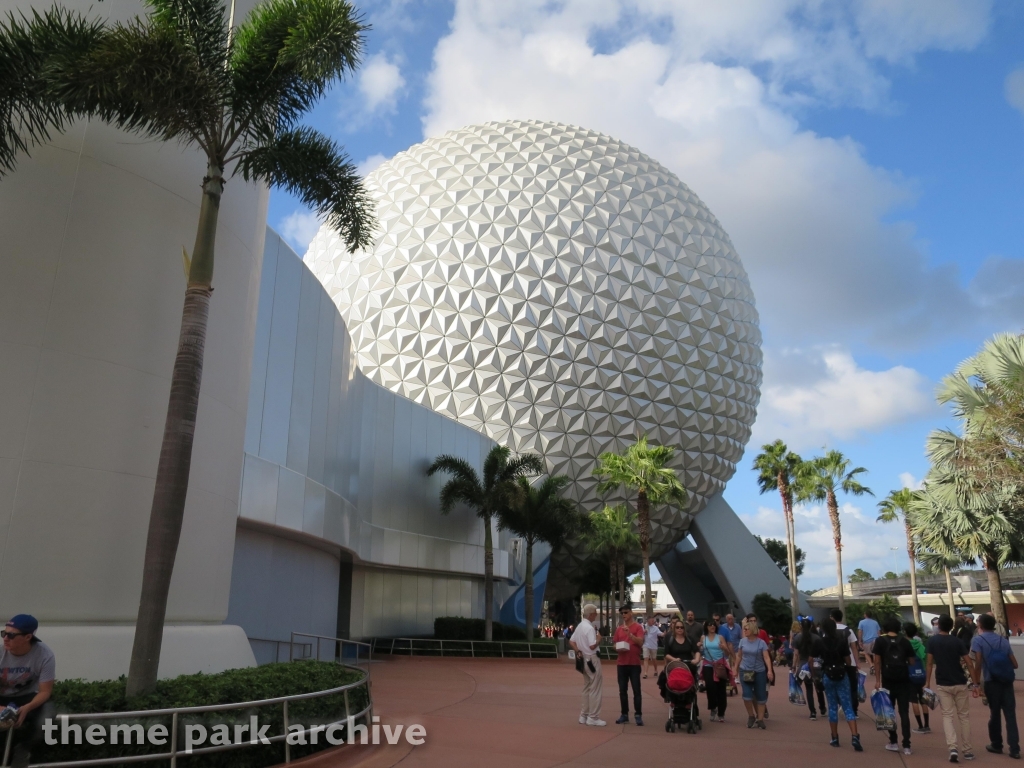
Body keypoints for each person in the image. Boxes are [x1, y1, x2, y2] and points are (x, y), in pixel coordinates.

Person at [0, 615, 56, 768]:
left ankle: (23, 749)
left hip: (26, 697)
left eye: (11, 635)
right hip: (1, 697)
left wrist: (28, 708)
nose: (5, 638)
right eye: (4, 633)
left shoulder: (45, 655)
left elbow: (45, 691)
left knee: (49, 713)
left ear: (28, 637)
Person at [927, 613, 976, 763]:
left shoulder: (932, 641)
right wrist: (975, 683)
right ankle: (967, 750)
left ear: (939, 625)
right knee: (964, 717)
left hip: (943, 683)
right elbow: (968, 662)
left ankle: (952, 748)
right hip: (960, 681)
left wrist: (927, 682)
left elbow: (929, 663)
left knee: (947, 716)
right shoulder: (957, 642)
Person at [971, 612, 1019, 759]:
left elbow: (978, 662)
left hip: (991, 681)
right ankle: (1014, 748)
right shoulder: (1003, 640)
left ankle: (997, 744)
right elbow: (1014, 663)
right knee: (1010, 715)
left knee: (995, 713)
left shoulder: (978, 640)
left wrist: (976, 683)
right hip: (1006, 681)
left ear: (980, 625)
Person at [873, 615, 918, 755]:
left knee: (889, 711)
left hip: (888, 680)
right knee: (904, 712)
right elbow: (912, 662)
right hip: (903, 680)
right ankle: (907, 745)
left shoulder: (880, 641)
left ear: (885, 628)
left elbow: (877, 661)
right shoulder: (905, 641)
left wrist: (878, 680)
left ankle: (893, 741)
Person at [819, 617, 863, 751]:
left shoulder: (820, 642)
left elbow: (816, 657)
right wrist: (847, 667)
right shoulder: (841, 641)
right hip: (841, 674)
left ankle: (834, 737)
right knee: (847, 706)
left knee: (832, 706)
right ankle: (855, 736)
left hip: (827, 674)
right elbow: (848, 660)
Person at [569, 604, 605, 727]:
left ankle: (584, 715)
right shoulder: (589, 628)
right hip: (592, 658)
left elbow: (571, 641)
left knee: (587, 687)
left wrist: (578, 651)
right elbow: (592, 645)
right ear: (591, 614)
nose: (596, 615)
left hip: (583, 658)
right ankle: (593, 717)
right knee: (595, 687)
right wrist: (599, 638)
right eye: (595, 613)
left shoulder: (580, 626)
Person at [736, 618, 773, 729]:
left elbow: (766, 657)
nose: (744, 631)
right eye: (744, 629)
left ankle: (760, 719)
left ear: (752, 630)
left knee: (761, 696)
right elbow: (739, 655)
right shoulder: (742, 641)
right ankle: (751, 715)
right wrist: (735, 668)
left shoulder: (761, 643)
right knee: (747, 695)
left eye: (746, 629)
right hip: (745, 670)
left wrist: (770, 670)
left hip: (759, 671)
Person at [613, 606, 645, 726]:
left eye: (626, 612)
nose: (623, 615)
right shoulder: (619, 629)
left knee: (636, 690)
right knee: (622, 691)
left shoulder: (638, 627)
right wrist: (617, 647)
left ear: (631, 613)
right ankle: (624, 714)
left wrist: (630, 635)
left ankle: (638, 714)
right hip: (622, 663)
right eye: (622, 613)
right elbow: (614, 644)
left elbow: (641, 642)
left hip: (634, 664)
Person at [793, 618, 827, 721]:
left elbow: (796, 654)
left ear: (801, 627)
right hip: (816, 664)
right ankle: (822, 708)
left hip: (804, 665)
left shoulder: (797, 638)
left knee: (808, 689)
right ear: (812, 626)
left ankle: (812, 712)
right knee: (818, 686)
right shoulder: (817, 638)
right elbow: (822, 652)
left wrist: (794, 666)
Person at [831, 608, 862, 717]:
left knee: (837, 686)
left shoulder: (829, 631)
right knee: (852, 686)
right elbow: (854, 647)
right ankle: (854, 710)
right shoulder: (848, 630)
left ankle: (840, 705)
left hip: (834, 663)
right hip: (850, 662)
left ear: (832, 618)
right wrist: (857, 662)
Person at [701, 619, 730, 722]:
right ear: (706, 627)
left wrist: (723, 648)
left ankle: (721, 713)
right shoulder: (703, 638)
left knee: (721, 689)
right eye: (710, 625)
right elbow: (700, 652)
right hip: (708, 665)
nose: (712, 627)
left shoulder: (720, 637)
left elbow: (727, 652)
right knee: (710, 687)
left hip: (720, 665)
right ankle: (713, 708)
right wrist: (698, 648)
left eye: (713, 625)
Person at [905, 622, 931, 734]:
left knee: (913, 700)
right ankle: (927, 725)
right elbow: (925, 656)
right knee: (923, 699)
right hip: (922, 674)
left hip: (910, 675)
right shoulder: (920, 644)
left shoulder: (904, 644)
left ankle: (920, 726)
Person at [642, 614, 664, 679]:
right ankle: (645, 673)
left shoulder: (656, 628)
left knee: (654, 659)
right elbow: (639, 634)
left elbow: (660, 634)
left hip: (653, 646)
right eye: (651, 621)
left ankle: (655, 670)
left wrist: (664, 633)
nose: (653, 622)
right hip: (646, 645)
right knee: (646, 658)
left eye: (653, 621)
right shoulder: (643, 626)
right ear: (648, 621)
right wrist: (643, 632)